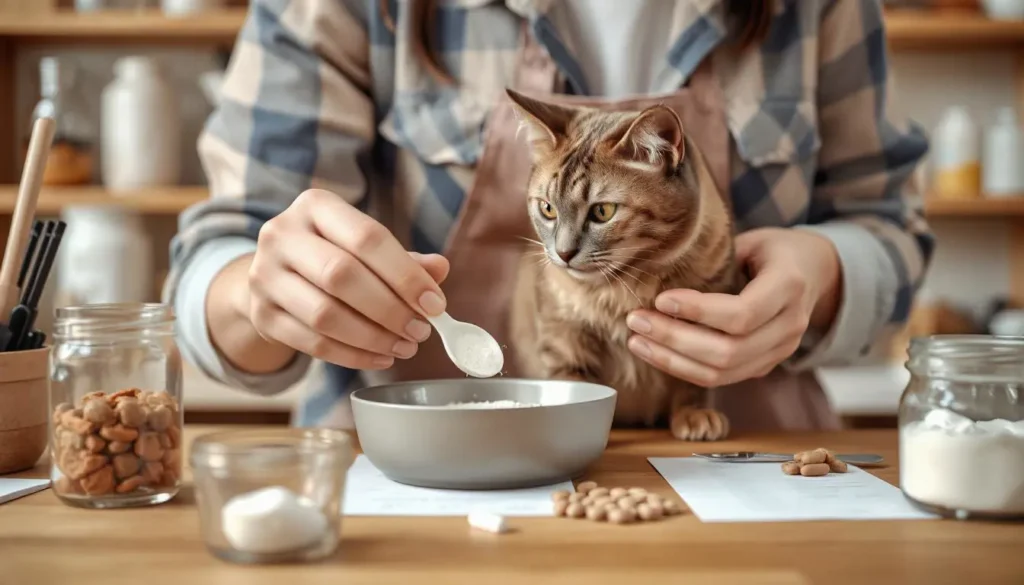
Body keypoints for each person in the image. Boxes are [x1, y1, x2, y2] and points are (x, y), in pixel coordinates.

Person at [165, 0, 933, 431]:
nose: (562, 249)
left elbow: (890, 227)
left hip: (745, 470)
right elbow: (219, 251)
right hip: (412, 485)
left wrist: (826, 274)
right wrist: (256, 293)